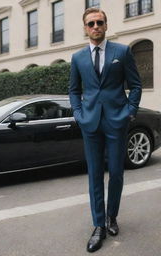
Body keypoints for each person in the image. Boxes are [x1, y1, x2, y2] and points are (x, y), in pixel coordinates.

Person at [69, 8, 142, 253]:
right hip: (90, 123)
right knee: (94, 175)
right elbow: (74, 90)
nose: (96, 26)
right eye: (91, 23)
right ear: (85, 28)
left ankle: (112, 217)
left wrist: (130, 111)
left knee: (117, 174)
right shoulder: (78, 58)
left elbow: (136, 84)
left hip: (116, 121)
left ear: (106, 25)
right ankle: (98, 225)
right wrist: (78, 114)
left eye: (99, 22)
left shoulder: (122, 52)